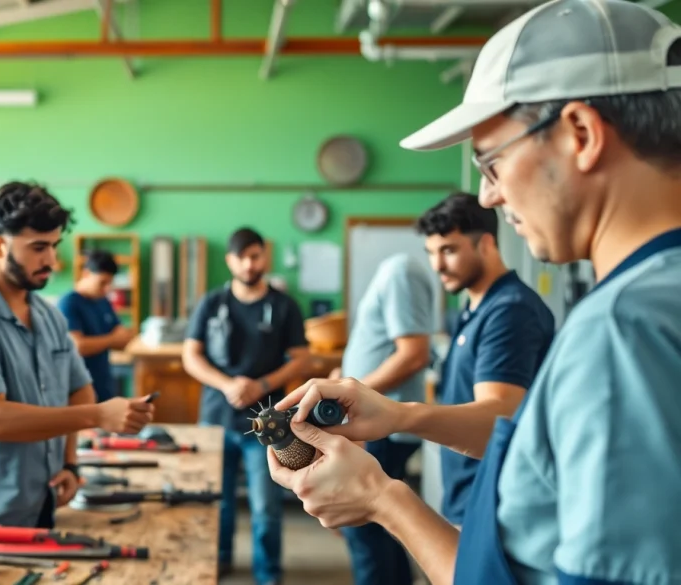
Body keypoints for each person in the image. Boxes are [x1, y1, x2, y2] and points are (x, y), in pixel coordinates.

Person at [267, 1, 681, 584]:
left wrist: (383, 499)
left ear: (582, 134)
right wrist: (401, 414)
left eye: (492, 163)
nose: (488, 197)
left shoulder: (620, 328)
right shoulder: (657, 296)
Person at [0, 181, 155, 531]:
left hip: (38, 500)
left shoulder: (47, 315)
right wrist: (96, 416)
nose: (51, 259)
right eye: (38, 247)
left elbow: (79, 388)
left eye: (54, 246)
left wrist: (70, 462)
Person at [415, 192, 554, 526]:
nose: (437, 265)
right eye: (431, 253)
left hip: (494, 501)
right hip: (466, 494)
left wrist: (400, 416)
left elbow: (497, 416)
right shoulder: (476, 306)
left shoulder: (510, 310)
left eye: (449, 250)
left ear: (486, 244)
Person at [182, 227, 310, 585]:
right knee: (216, 502)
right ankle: (219, 562)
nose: (249, 264)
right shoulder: (211, 303)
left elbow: (302, 358)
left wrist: (263, 385)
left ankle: (268, 573)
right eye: (242, 257)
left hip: (268, 422)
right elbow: (190, 356)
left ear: (264, 257)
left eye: (255, 256)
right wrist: (228, 385)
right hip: (217, 417)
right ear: (230, 261)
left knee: (265, 506)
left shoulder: (284, 306)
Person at [333, 253, 435, 585]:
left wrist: (347, 391)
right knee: (381, 525)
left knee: (362, 526)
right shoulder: (392, 272)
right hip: (380, 424)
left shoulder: (399, 271)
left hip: (383, 428)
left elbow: (413, 354)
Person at [57, 249, 134, 402]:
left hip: (103, 384)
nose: (107, 289)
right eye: (102, 282)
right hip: (77, 389)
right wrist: (112, 339)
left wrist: (110, 340)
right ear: (86, 274)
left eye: (110, 283)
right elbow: (78, 346)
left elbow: (123, 338)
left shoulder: (103, 301)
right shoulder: (69, 303)